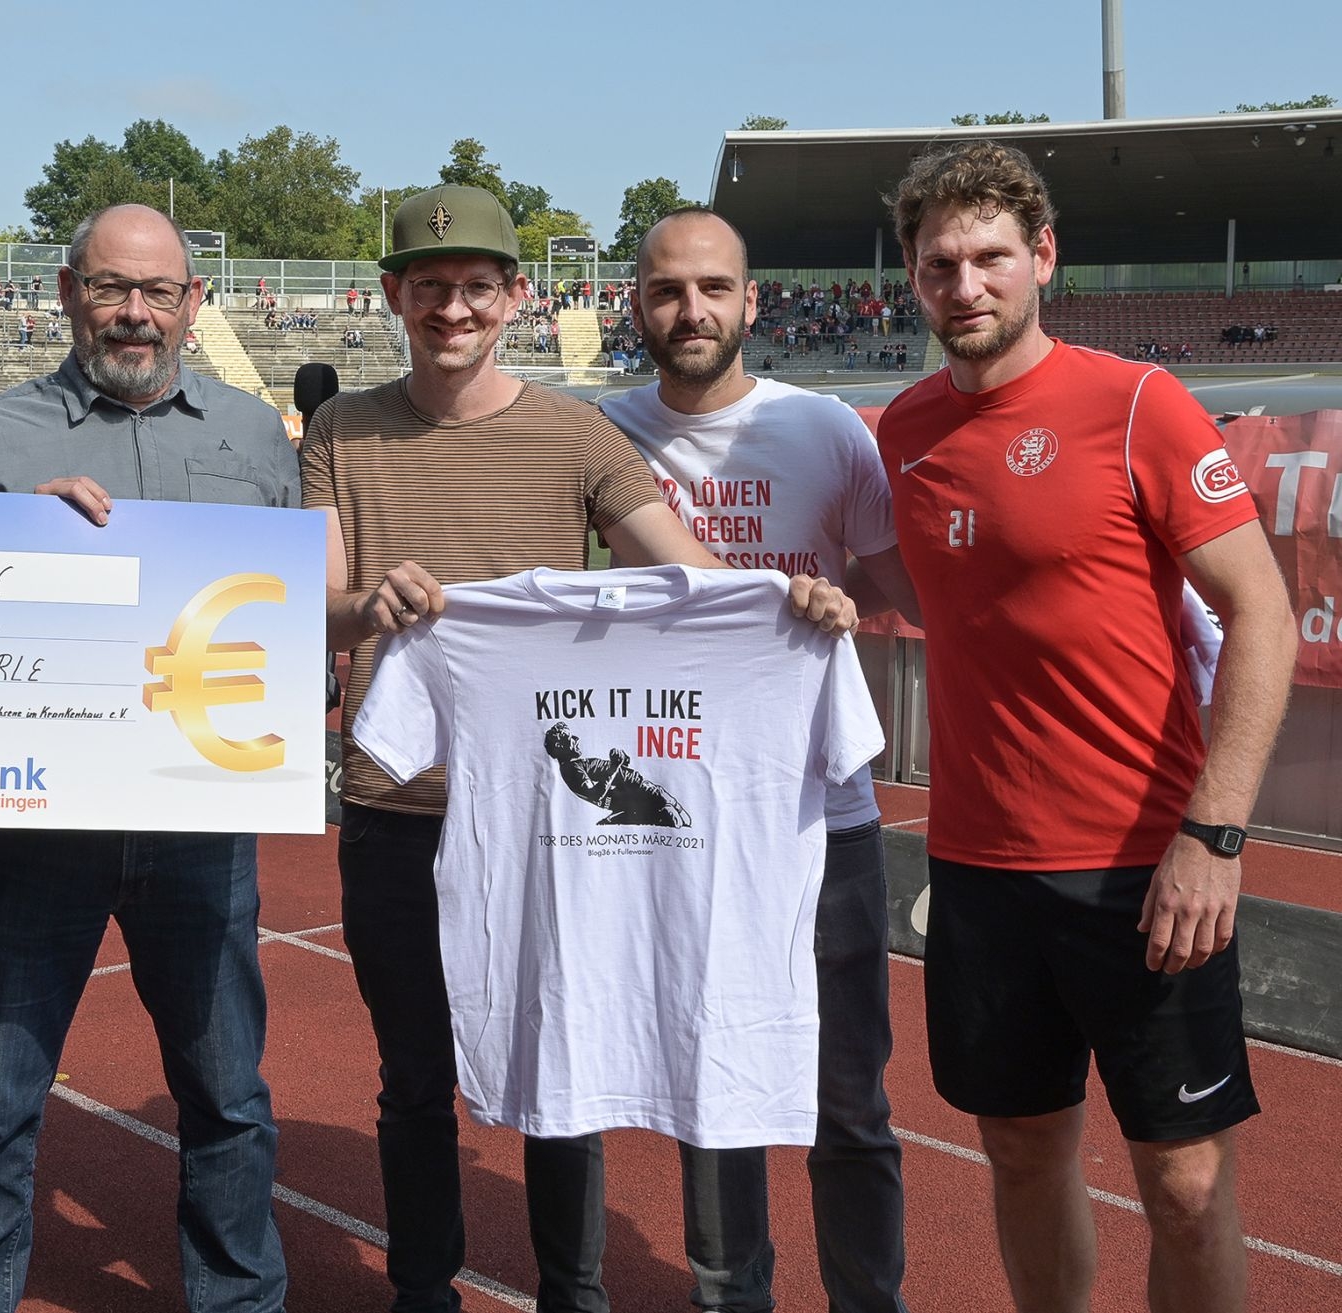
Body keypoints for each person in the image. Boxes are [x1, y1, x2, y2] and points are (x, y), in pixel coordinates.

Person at [301, 184, 854, 1313]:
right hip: (396, 808)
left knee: (562, 1065)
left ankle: (572, 1293)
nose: (453, 308)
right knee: (413, 1079)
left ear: (514, 297)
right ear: (394, 294)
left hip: (540, 816)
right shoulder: (337, 430)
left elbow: (689, 573)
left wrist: (785, 606)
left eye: (476, 286)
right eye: (429, 286)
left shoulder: (575, 432)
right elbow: (314, 608)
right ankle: (423, 1292)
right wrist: (369, 610)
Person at [877, 139, 1296, 1313]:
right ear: (912, 275)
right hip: (978, 866)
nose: (966, 285)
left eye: (991, 257)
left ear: (1045, 257)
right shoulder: (902, 430)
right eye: (941, 263)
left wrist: (1214, 835)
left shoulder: (1137, 404)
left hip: (1147, 864)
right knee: (1021, 1149)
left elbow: (1262, 613)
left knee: (1186, 1181)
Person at [0, 203, 293, 1313]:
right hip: (39, 830)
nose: (135, 312)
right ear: (66, 292)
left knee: (228, 1097)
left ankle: (240, 1300)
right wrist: (9, 545)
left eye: (158, 291)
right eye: (110, 287)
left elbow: (292, 613)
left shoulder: (256, 433)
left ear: (193, 303)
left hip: (203, 828)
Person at [598, 206, 919, 1313]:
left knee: (851, 1098)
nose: (690, 310)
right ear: (635, 303)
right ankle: (731, 1296)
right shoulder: (598, 434)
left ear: (750, 299)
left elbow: (893, 582)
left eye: (712, 288)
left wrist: (825, 609)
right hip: (675, 815)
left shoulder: (824, 429)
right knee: (712, 1087)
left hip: (821, 814)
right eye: (667, 290)